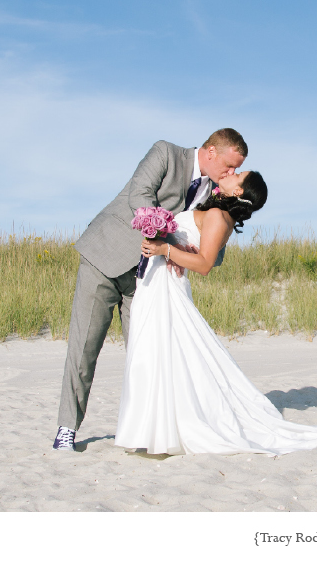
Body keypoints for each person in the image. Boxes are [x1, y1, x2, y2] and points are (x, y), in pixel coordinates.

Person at [115, 169, 317, 456]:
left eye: (238, 174)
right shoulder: (214, 210)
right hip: (154, 282)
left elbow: (205, 264)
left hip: (166, 286)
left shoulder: (221, 218)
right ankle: (150, 430)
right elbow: (194, 250)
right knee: (153, 352)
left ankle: (160, 431)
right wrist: (173, 243)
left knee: (158, 352)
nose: (231, 173)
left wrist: (164, 250)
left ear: (237, 192)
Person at [52, 129, 247, 451]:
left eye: (235, 171)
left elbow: (213, 243)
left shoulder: (216, 192)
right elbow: (139, 196)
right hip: (105, 258)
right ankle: (67, 428)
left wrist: (199, 248)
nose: (230, 174)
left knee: (147, 357)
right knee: (84, 348)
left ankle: (144, 433)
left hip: (150, 282)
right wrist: (168, 239)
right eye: (228, 166)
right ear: (210, 151)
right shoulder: (166, 153)